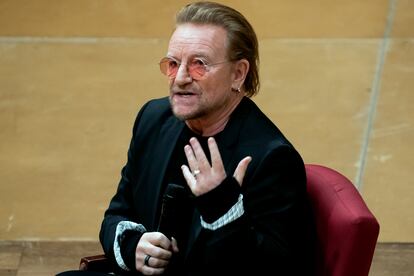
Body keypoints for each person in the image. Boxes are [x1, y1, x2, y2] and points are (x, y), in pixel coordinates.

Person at [57, 1, 315, 275]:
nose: (180, 78)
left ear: (238, 73)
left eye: (199, 65)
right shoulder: (153, 119)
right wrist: (135, 246)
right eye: (173, 63)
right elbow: (118, 213)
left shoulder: (271, 158)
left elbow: (274, 268)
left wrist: (223, 210)